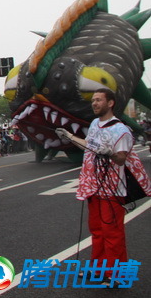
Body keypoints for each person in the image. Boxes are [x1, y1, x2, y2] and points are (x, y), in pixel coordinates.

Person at [56, 88, 151, 285]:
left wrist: (109, 152)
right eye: (93, 100)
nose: (94, 103)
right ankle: (98, 270)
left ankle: (118, 275)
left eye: (99, 100)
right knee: (97, 230)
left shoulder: (121, 130)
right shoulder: (94, 124)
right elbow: (89, 145)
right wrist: (70, 137)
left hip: (112, 189)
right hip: (94, 186)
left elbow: (121, 158)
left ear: (110, 103)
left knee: (112, 233)